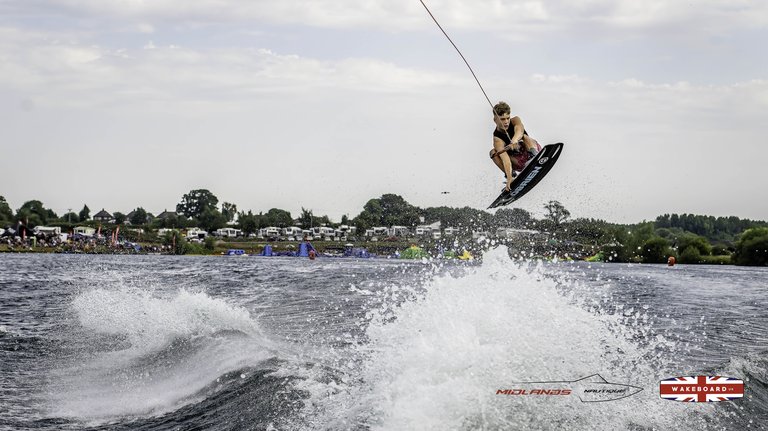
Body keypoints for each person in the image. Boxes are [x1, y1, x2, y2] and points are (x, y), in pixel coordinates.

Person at [488, 101, 541, 191]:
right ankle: (512, 177)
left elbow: (519, 130)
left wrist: (514, 140)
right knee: (493, 152)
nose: (506, 122)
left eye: (507, 118)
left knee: (524, 136)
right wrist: (509, 177)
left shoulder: (515, 120)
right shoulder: (497, 139)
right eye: (502, 119)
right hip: (519, 162)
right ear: (495, 120)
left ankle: (535, 157)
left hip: (532, 149)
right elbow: (505, 159)